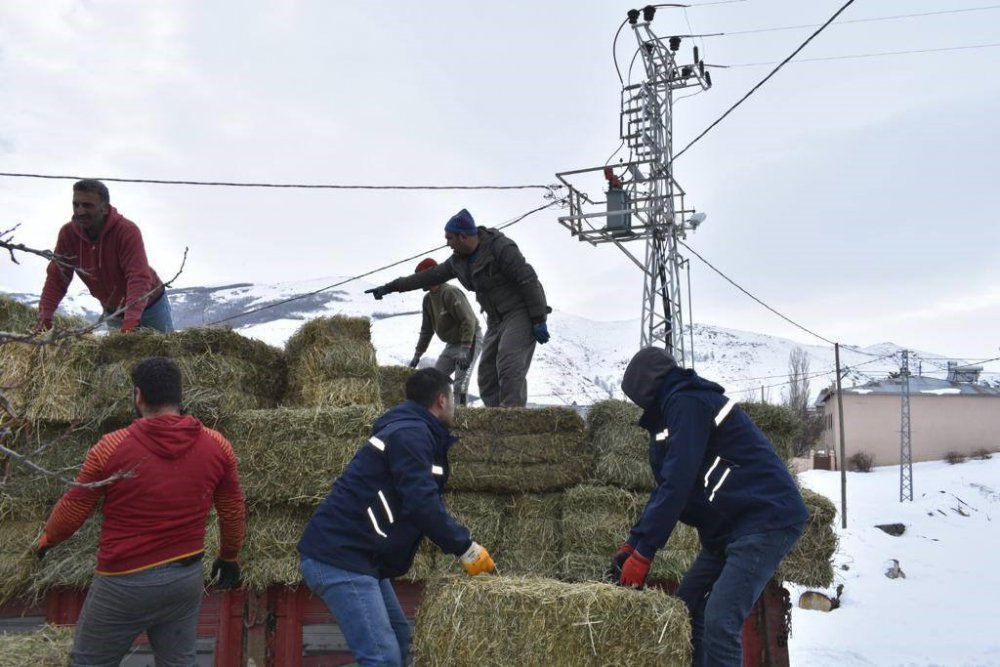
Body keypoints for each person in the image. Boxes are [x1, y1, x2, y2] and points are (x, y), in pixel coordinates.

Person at [34, 356, 246, 666]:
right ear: (179, 396)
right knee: (179, 662)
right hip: (184, 579)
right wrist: (229, 556)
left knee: (89, 662)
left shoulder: (111, 447)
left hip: (123, 581)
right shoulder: (218, 445)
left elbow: (74, 507)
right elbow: (232, 509)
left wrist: (48, 539)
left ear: (138, 396)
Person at [609, 347, 808, 667]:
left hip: (763, 519)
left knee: (720, 621)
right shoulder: (670, 411)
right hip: (727, 529)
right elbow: (666, 486)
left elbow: (679, 481)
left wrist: (645, 553)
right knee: (687, 608)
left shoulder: (687, 402)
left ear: (645, 388)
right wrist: (633, 542)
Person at [297, 368, 496, 666]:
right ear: (442, 400)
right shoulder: (410, 434)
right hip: (341, 556)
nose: (455, 406)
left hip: (360, 555)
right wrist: (465, 547)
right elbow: (420, 501)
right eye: (453, 399)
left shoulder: (412, 430)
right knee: (382, 657)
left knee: (402, 641)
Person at [365, 209, 549, 408]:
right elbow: (427, 276)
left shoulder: (500, 247)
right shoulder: (458, 262)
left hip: (519, 311)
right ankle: (497, 421)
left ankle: (512, 420)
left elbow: (527, 279)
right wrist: (390, 287)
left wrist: (538, 318)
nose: (447, 243)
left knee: (509, 364)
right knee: (486, 376)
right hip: (495, 319)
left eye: (450, 238)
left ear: (463, 236)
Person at [35, 179, 174, 334]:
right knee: (121, 358)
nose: (80, 211)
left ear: (105, 208)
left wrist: (130, 322)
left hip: (151, 306)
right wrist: (45, 316)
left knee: (164, 354)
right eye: (76, 205)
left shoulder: (127, 231)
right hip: (113, 312)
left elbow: (138, 277)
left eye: (87, 205)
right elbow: (57, 278)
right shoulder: (68, 235)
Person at [408, 257, 484, 405]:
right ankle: (436, 416)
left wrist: (465, 350)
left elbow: (468, 320)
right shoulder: (428, 300)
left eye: (420, 277)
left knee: (460, 385)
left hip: (470, 340)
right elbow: (426, 330)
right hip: (452, 344)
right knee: (434, 381)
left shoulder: (450, 293)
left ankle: (461, 419)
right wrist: (417, 355)